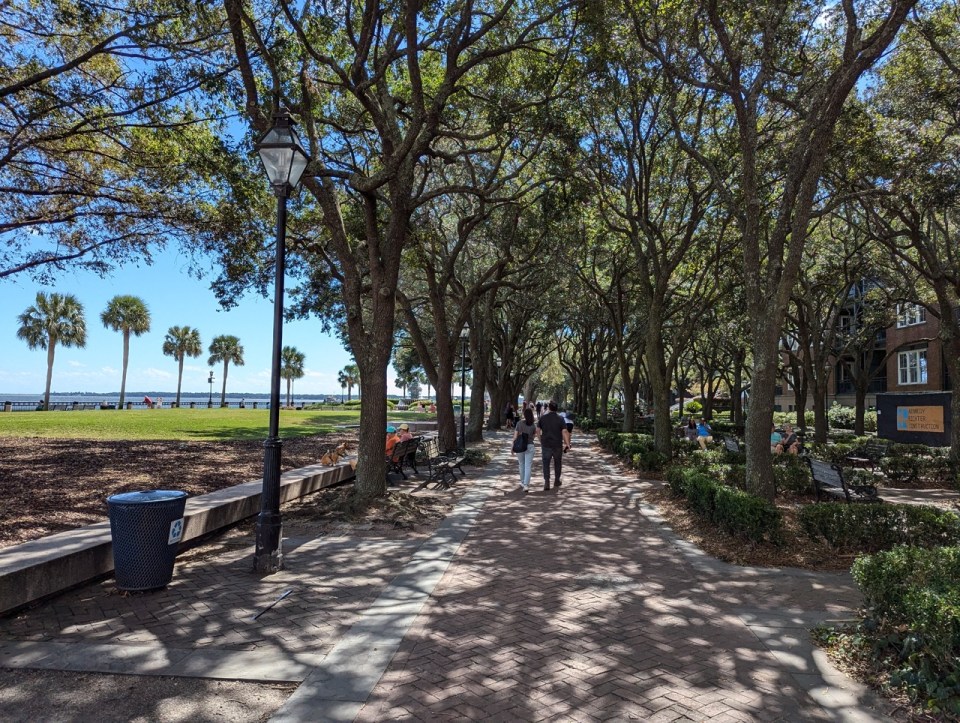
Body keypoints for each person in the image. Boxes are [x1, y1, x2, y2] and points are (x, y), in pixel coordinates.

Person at [538, 400, 572, 491]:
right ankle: (557, 480)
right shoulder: (560, 419)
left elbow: (537, 430)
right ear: (557, 409)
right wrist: (567, 444)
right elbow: (564, 431)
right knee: (558, 462)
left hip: (546, 444)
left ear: (549, 408)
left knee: (546, 463)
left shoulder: (543, 418)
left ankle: (547, 482)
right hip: (557, 444)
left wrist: (540, 439)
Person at [511, 407, 539, 493]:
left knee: (521, 464)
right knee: (528, 466)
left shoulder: (519, 423)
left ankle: (522, 482)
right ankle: (526, 485)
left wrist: (512, 447)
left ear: (524, 415)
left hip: (520, 446)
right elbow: (534, 436)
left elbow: (515, 437)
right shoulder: (533, 425)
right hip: (530, 446)